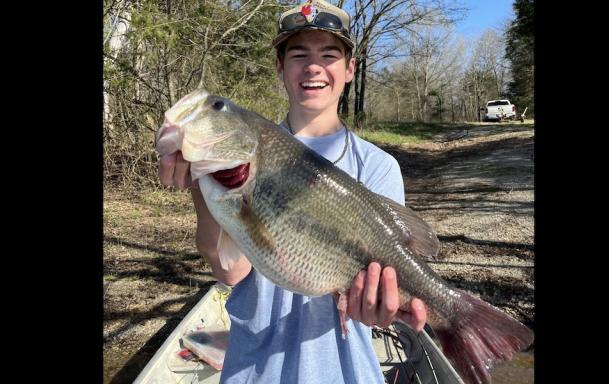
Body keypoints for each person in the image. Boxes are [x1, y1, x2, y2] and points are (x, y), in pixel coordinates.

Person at [158, 1, 428, 382]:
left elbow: (382, 276)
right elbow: (230, 271)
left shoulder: (378, 167)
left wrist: (375, 304)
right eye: (298, 54)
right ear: (280, 68)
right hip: (254, 370)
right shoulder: (239, 159)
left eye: (329, 55)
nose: (313, 67)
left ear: (350, 69)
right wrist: (204, 187)